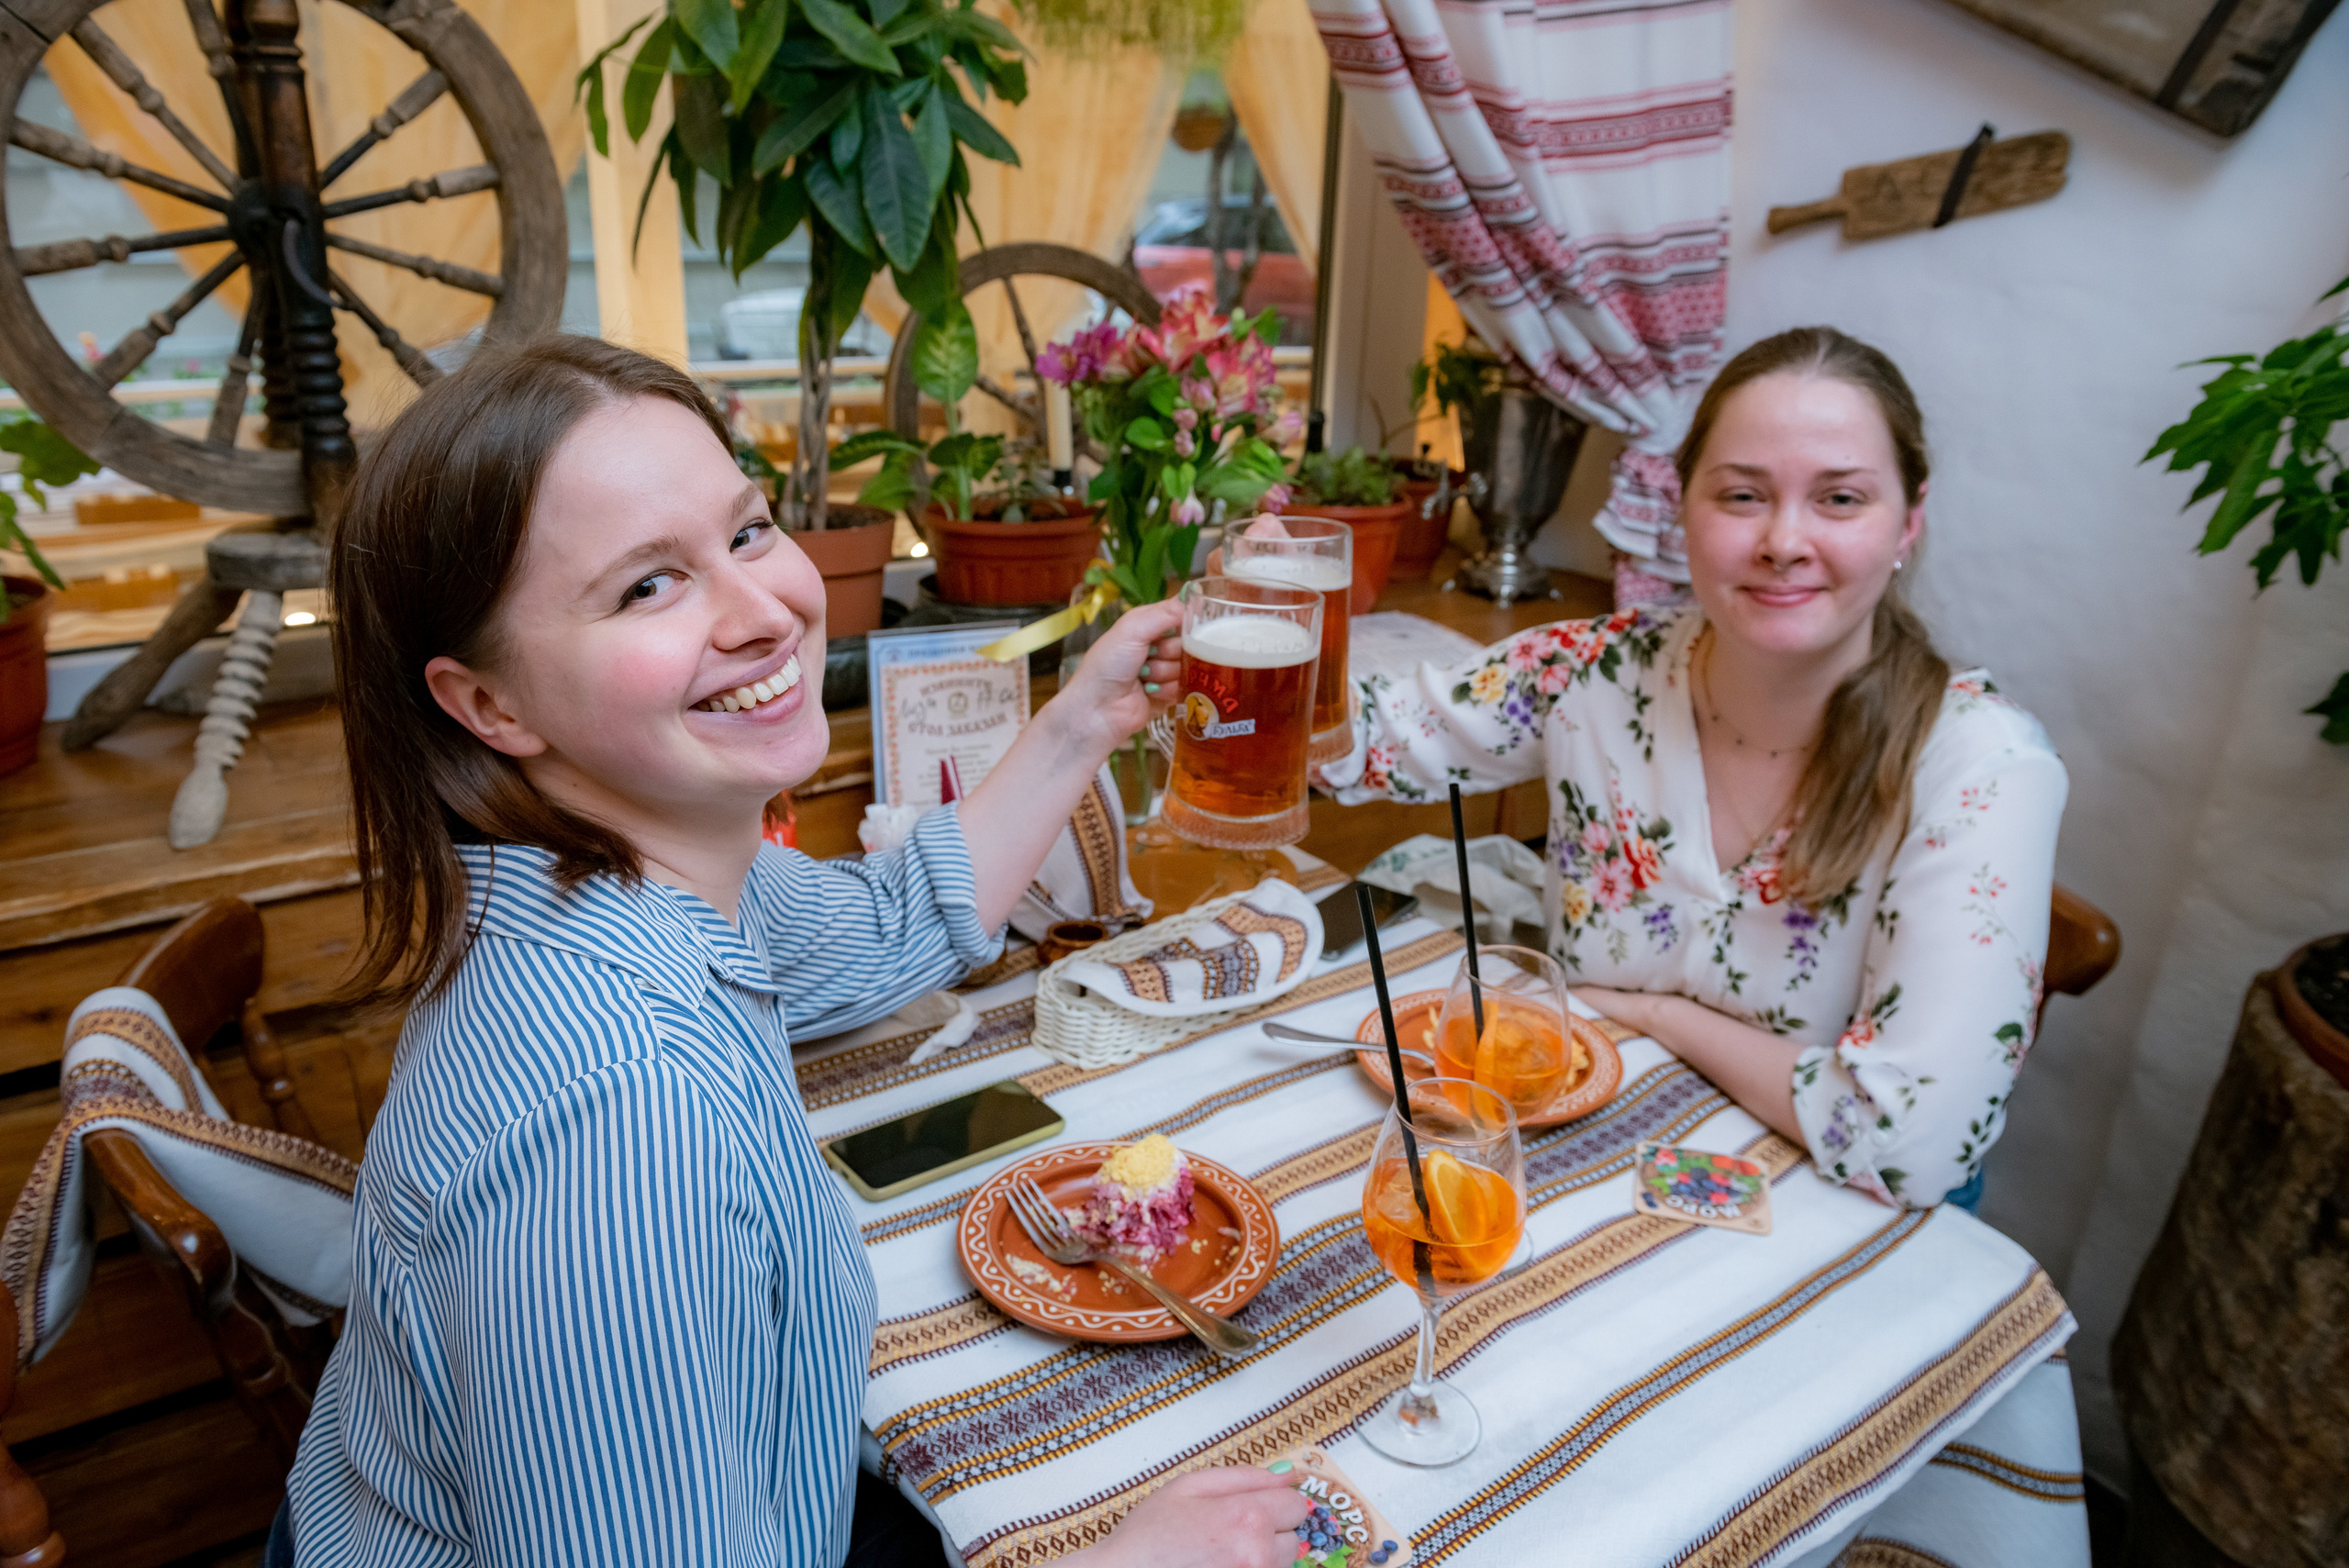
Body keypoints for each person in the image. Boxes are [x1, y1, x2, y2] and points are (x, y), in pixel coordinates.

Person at [276, 337, 1308, 1566]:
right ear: (491, 707)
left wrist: (1084, 717)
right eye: (646, 587)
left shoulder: (627, 868)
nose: (766, 612)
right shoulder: (620, 1127)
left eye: (749, 530)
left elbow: (888, 927)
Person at [1319, 327, 2066, 1210]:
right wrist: (1242, 636)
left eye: (1839, 499)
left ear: (1908, 520)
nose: (1784, 540)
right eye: (1743, 495)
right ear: (1682, 510)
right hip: (1590, 1173)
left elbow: (1907, 1143)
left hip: (1836, 1222)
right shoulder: (1593, 672)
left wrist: (1657, 1014)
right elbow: (1355, 742)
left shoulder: (1984, 766)